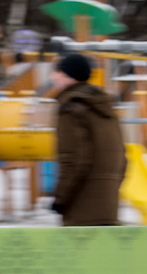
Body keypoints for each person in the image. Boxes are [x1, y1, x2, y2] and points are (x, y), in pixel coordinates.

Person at [50, 53, 126, 226]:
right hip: (108, 207)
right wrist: (110, 190)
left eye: (56, 72)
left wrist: (60, 199)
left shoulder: (71, 109)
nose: (52, 76)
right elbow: (123, 157)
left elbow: (74, 160)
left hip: (81, 207)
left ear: (67, 75)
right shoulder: (105, 107)